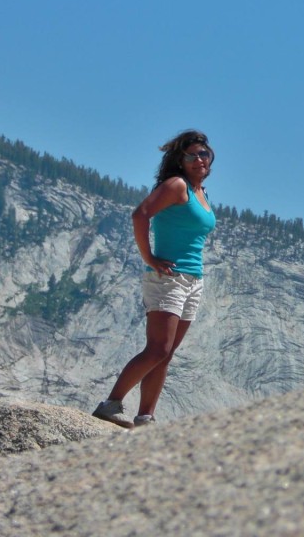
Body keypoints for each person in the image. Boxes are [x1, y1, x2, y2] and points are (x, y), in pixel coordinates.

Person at [92, 130, 217, 428]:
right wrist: (149, 258)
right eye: (192, 155)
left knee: (167, 353)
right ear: (180, 160)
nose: (199, 159)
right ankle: (110, 404)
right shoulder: (177, 186)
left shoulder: (202, 193)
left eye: (204, 154)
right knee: (157, 348)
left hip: (193, 280)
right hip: (168, 278)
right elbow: (141, 214)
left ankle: (145, 417)